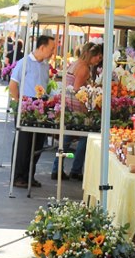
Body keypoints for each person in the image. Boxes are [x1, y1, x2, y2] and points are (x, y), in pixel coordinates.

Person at [9, 34, 55, 188]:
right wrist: (20, 103)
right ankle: (18, 176)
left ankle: (29, 175)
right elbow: (13, 85)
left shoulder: (45, 65)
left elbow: (44, 85)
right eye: (51, 48)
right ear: (42, 47)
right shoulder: (24, 63)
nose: (53, 52)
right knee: (23, 143)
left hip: (40, 104)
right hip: (27, 103)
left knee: (37, 142)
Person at [50, 44, 92, 181]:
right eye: (98, 56)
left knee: (66, 142)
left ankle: (57, 169)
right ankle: (75, 169)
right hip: (76, 107)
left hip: (68, 104)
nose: (99, 59)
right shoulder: (84, 68)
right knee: (84, 138)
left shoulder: (75, 64)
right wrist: (86, 109)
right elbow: (78, 90)